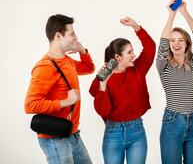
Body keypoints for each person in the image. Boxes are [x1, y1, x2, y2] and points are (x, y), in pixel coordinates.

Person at [25, 14, 95, 164]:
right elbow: (30, 105)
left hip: (73, 134)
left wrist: (83, 51)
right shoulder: (45, 67)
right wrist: (65, 102)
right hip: (55, 139)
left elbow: (89, 68)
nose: (76, 38)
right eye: (72, 33)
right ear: (58, 36)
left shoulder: (67, 60)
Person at [89, 17, 156, 164]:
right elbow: (103, 110)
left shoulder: (137, 69)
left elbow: (150, 48)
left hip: (137, 131)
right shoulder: (102, 78)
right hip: (113, 133)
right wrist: (103, 85)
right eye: (130, 52)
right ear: (118, 57)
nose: (134, 55)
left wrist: (136, 27)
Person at [156, 0, 193, 164]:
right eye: (172, 40)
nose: (175, 44)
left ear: (186, 43)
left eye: (180, 40)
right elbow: (162, 45)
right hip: (172, 123)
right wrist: (171, 15)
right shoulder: (164, 66)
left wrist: (184, 12)